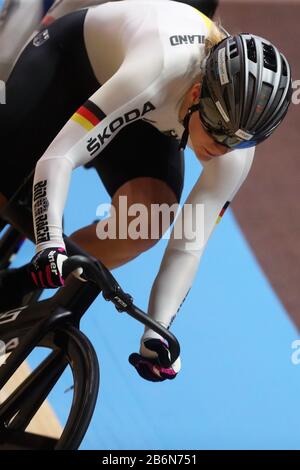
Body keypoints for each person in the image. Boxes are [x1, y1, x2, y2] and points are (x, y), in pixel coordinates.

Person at [0, 1, 292, 382]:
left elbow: (190, 242)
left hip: (153, 115)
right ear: (198, 93)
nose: (221, 149)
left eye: (233, 143)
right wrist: (49, 241)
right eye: (217, 131)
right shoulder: (159, 68)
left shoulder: (237, 142)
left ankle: (18, 285)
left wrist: (157, 329)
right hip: (70, 66)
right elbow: (60, 156)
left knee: (143, 223)